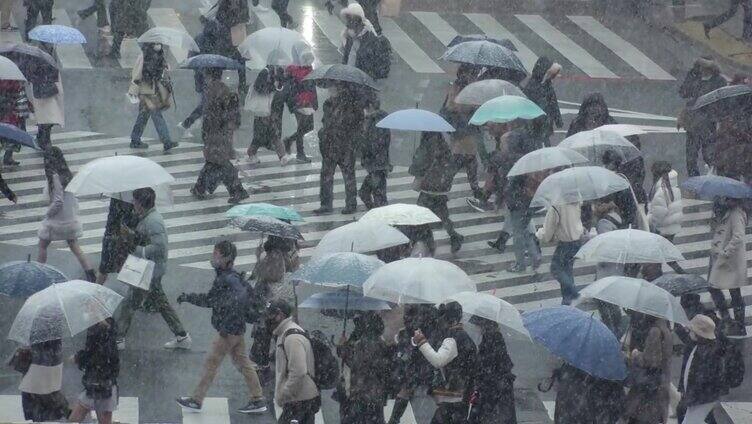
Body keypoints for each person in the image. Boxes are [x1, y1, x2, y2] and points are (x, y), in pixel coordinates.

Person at [175, 241, 267, 414]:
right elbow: (211, 300)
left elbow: (237, 302)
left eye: (216, 255)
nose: (213, 258)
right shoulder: (225, 277)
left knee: (212, 362)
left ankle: (196, 400)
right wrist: (189, 297)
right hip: (235, 329)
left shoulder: (229, 279)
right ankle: (257, 398)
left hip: (229, 330)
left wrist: (226, 326)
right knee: (243, 362)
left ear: (227, 259)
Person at [116, 187, 190, 350]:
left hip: (149, 270)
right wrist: (130, 234)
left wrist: (136, 249)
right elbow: (144, 237)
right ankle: (181, 335)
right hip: (149, 269)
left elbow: (159, 247)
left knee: (129, 303)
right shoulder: (147, 217)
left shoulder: (153, 221)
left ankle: (119, 338)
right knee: (158, 303)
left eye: (135, 201)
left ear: (141, 204)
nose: (133, 204)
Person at [37, 147, 96, 282]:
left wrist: (48, 214)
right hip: (70, 219)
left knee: (42, 245)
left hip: (56, 222)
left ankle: (39, 273)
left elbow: (58, 201)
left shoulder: (55, 176)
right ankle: (90, 272)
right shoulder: (67, 175)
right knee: (74, 246)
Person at [191, 67, 249, 204]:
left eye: (206, 74)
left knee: (220, 162)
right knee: (212, 161)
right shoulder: (223, 89)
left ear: (209, 75)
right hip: (219, 132)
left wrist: (191, 121)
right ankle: (200, 187)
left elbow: (207, 111)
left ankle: (238, 190)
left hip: (215, 132)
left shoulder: (213, 90)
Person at [413, 301, 477, 424]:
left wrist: (421, 341)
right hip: (462, 396)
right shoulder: (465, 337)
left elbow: (438, 361)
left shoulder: (453, 339)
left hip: (453, 398)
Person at [265, 300, 321, 423]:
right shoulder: (285, 332)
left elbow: (299, 371)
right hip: (301, 399)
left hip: (298, 400)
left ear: (280, 315)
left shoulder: (292, 338)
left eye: (270, 315)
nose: (268, 318)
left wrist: (284, 394)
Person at [249, 235, 300, 369]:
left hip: (273, 299)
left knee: (266, 328)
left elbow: (271, 275)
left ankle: (263, 361)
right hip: (284, 299)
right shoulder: (286, 255)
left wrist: (259, 259)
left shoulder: (274, 256)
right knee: (279, 329)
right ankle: (283, 355)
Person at [409, 131, 464, 252]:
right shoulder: (443, 148)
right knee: (442, 216)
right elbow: (450, 168)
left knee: (422, 217)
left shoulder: (426, 149)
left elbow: (418, 167)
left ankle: (426, 243)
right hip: (438, 189)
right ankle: (452, 237)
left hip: (429, 189)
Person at [314, 82, 363, 215]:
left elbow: (357, 124)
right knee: (326, 175)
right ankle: (326, 204)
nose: (330, 89)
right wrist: (323, 133)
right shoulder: (328, 104)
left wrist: (352, 140)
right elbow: (325, 121)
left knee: (348, 176)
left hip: (345, 145)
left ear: (340, 89)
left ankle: (351, 204)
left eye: (333, 87)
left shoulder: (351, 105)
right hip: (329, 144)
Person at [336, 312, 391, 423]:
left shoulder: (365, 343)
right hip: (376, 396)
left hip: (362, 396)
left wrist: (343, 348)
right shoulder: (381, 343)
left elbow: (357, 363)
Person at [387, 305, 436, 424]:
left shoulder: (409, 330)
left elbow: (405, 351)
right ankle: (394, 419)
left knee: (406, 393)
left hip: (415, 372)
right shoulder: (428, 326)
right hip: (421, 372)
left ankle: (394, 419)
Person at [678, 58, 726, 177]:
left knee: (708, 155)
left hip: (709, 124)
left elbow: (722, 101)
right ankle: (694, 180)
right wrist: (691, 75)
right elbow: (683, 93)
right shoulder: (695, 78)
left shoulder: (718, 81)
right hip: (692, 123)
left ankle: (715, 176)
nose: (702, 70)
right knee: (691, 157)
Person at [708, 197, 748, 336]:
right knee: (733, 292)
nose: (724, 201)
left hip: (730, 261)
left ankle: (733, 322)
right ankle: (735, 323)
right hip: (726, 261)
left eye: (727, 198)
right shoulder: (729, 212)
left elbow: (738, 237)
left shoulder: (736, 214)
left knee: (720, 289)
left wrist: (725, 252)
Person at [442, 64, 483, 200]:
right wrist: (471, 106)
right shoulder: (459, 86)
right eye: (473, 73)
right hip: (462, 128)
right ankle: (473, 189)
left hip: (465, 127)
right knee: (463, 158)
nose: (475, 76)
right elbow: (452, 105)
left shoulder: (467, 85)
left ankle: (448, 186)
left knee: (467, 158)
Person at [67, 318, 120, 424]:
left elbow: (93, 353)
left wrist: (78, 358)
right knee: (77, 417)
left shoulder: (100, 328)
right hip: (101, 380)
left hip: (100, 381)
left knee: (76, 418)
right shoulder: (102, 326)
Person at [127, 43, 177, 151]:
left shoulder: (159, 55)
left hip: (154, 90)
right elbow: (136, 74)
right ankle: (166, 141)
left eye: (159, 43)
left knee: (143, 116)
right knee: (156, 115)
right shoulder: (144, 56)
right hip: (146, 91)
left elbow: (161, 73)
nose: (158, 45)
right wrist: (135, 89)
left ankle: (135, 140)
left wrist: (165, 67)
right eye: (155, 43)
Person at [623, 313, 673, 424]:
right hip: (660, 383)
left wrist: (636, 355)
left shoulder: (655, 331)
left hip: (649, 386)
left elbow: (651, 361)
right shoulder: (666, 330)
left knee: (640, 416)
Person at [677, 315, 726, 424]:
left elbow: (702, 378)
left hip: (702, 398)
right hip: (700, 397)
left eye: (692, 330)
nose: (690, 332)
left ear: (699, 334)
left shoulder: (709, 352)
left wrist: (690, 396)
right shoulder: (698, 346)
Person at [468, 316, 517, 423]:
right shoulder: (492, 337)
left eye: (478, 325)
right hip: (497, 387)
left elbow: (488, 363)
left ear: (483, 325)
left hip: (493, 389)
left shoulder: (491, 339)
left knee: (490, 417)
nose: (476, 328)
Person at [536, 201, 584, 304]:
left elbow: (548, 230)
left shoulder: (557, 205)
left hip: (565, 243)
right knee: (567, 269)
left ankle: (573, 291)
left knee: (555, 268)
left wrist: (539, 235)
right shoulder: (576, 200)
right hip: (577, 240)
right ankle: (566, 300)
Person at [592, 196, 626, 338]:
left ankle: (612, 329)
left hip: (607, 268)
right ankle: (614, 327)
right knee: (609, 298)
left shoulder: (603, 222)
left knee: (603, 299)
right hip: (616, 266)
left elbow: (606, 248)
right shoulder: (615, 215)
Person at [247, 65, 292, 166]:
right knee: (260, 136)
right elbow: (259, 88)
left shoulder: (274, 76)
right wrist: (272, 87)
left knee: (273, 134)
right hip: (262, 111)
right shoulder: (265, 73)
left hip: (269, 111)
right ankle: (252, 153)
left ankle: (282, 156)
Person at [19, 339, 70, 422]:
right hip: (47, 383)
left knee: (41, 412)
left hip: (39, 384)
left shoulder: (40, 344)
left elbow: (39, 363)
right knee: (48, 411)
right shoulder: (54, 343)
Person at [357, 95, 390, 209]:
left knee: (379, 197)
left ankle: (380, 217)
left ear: (370, 106)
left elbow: (374, 144)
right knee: (365, 192)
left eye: (365, 108)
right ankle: (374, 212)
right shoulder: (379, 120)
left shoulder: (375, 121)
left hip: (377, 165)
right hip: (378, 164)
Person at [522, 56, 563, 146]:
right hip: (537, 124)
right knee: (539, 143)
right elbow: (553, 104)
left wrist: (558, 119)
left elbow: (553, 103)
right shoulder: (537, 86)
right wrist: (557, 120)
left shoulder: (544, 85)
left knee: (542, 143)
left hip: (542, 124)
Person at [96, 198, 138, 285]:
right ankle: (134, 293)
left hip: (117, 235)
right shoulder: (134, 199)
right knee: (127, 264)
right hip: (118, 235)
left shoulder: (119, 197)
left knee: (105, 267)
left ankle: (95, 291)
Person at [340, 3, 386, 80]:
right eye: (348, 19)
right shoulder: (348, 36)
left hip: (362, 80)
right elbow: (346, 57)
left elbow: (370, 64)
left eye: (352, 20)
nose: (349, 23)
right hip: (350, 78)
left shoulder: (369, 39)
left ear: (359, 21)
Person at [215, 0, 249, 97]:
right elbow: (219, 16)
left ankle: (242, 86)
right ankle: (219, 84)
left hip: (238, 36)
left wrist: (236, 19)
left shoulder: (242, 2)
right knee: (221, 61)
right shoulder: (225, 2)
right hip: (227, 36)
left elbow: (246, 16)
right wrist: (230, 20)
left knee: (241, 61)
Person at [283, 64, 317, 163]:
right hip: (302, 103)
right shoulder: (300, 72)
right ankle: (300, 153)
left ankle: (289, 140)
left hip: (307, 103)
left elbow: (312, 89)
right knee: (301, 128)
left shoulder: (309, 70)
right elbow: (304, 88)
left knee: (308, 127)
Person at [28, 64, 63, 150]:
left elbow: (31, 78)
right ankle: (44, 139)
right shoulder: (49, 63)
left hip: (41, 94)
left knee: (43, 119)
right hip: (47, 93)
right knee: (47, 120)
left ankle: (43, 139)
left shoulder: (33, 65)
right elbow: (55, 78)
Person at [0, 78, 31, 166]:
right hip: (9, 111)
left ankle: (8, 157)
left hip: (6, 110)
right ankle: (8, 156)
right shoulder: (13, 80)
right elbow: (20, 97)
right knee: (11, 135)